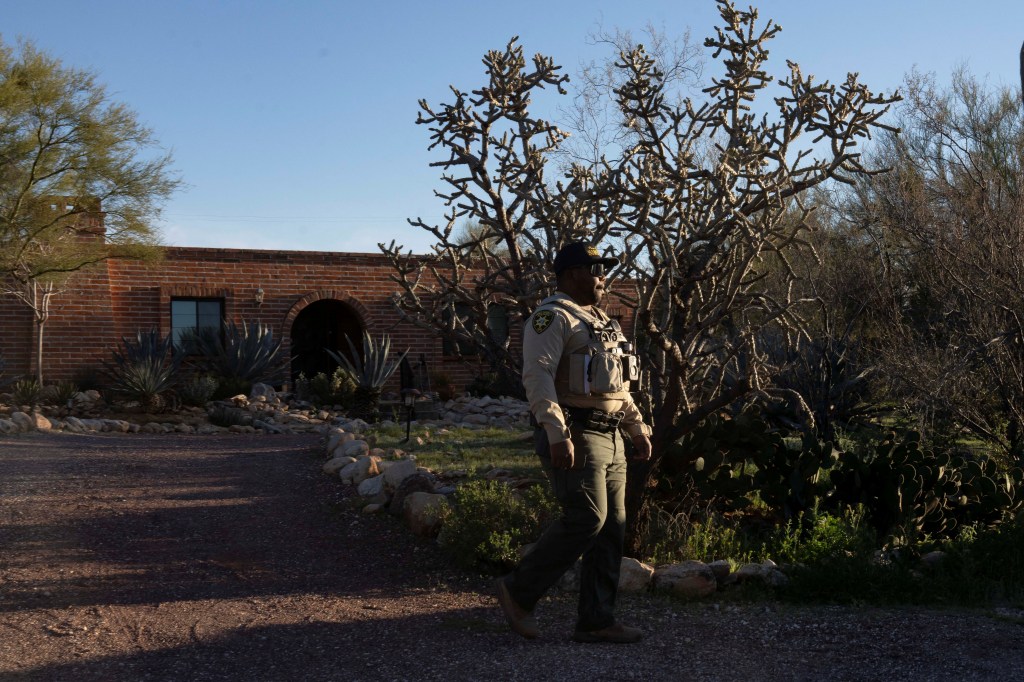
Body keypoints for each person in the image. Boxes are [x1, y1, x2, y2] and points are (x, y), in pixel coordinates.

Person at [496, 241, 653, 643]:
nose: (603, 274)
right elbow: (538, 377)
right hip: (577, 432)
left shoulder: (602, 321)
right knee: (587, 519)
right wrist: (555, 430)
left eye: (604, 267)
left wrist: (636, 427)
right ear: (569, 274)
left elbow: (620, 385)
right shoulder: (551, 318)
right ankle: (518, 591)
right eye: (594, 267)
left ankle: (597, 620)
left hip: (612, 433)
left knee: (612, 528)